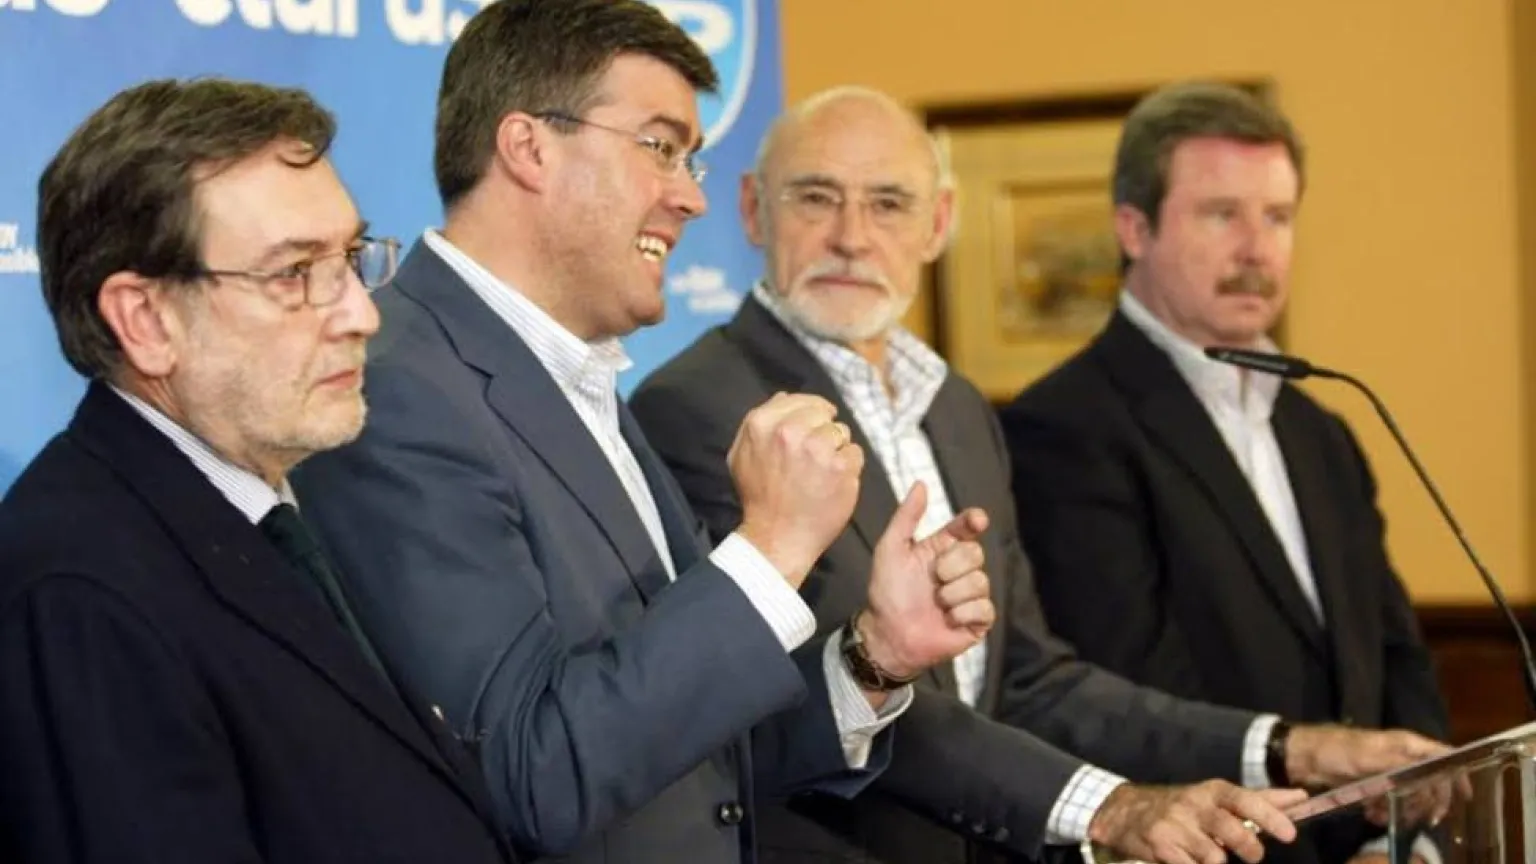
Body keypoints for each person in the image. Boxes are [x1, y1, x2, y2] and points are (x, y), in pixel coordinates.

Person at [629, 86, 1450, 864]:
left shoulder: (957, 408)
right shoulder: (703, 407)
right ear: (752, 210)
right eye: (816, 198)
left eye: (889, 203)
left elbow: (1028, 680)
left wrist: (1283, 746)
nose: (852, 236)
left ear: (939, 223)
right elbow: (828, 695)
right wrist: (1107, 804)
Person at [290, 2, 997, 863]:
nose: (691, 197)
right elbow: (530, 776)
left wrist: (873, 655)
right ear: (528, 148)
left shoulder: (575, 376)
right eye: (660, 147)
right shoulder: (396, 389)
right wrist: (770, 549)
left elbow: (698, 744)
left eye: (690, 159)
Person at [0, 78, 518, 864]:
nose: (362, 313)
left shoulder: (271, 506)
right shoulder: (81, 597)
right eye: (293, 273)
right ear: (146, 320)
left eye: (350, 258)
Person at [998, 81, 1451, 864]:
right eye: (1221, 215)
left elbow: (1395, 657)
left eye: (1277, 217)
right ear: (1133, 227)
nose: (1256, 249)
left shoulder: (1324, 429)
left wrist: (1402, 840)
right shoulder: (1064, 427)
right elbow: (1125, 695)